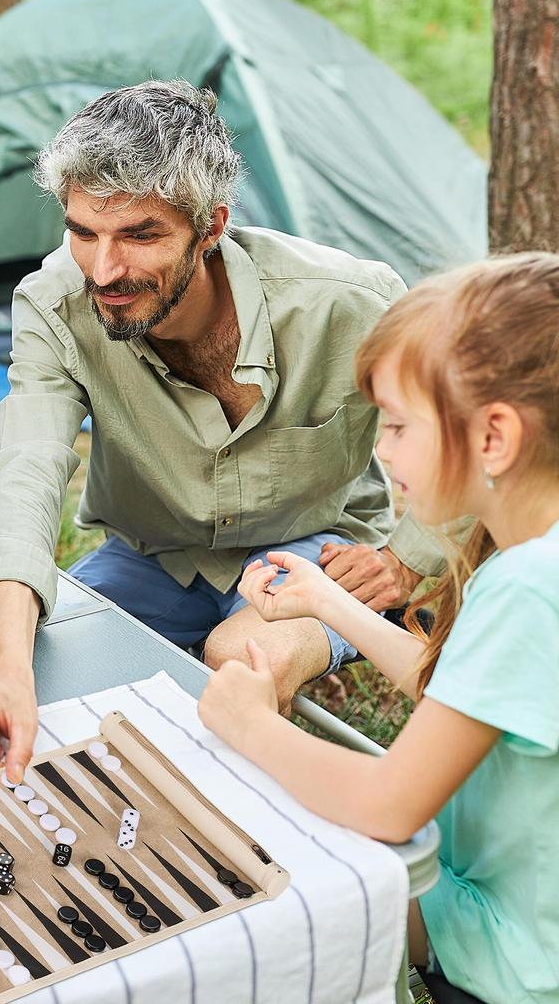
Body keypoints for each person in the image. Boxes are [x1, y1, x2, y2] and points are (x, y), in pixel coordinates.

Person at [0, 79, 445, 788]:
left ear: (211, 227)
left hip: (316, 549)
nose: (105, 270)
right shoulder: (52, 306)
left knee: (238, 659)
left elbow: (479, 424)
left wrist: (411, 557)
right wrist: (6, 673)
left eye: (139, 236)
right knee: (35, 668)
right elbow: (24, 471)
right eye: (84, 232)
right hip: (154, 557)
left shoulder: (350, 303)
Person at [198, 254, 559, 1004]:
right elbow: (456, 687)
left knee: (242, 891)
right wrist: (331, 603)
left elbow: (390, 804)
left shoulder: (529, 587)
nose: (383, 450)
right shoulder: (535, 558)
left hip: (513, 951)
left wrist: (250, 724)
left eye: (396, 426)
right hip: (518, 916)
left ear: (494, 437)